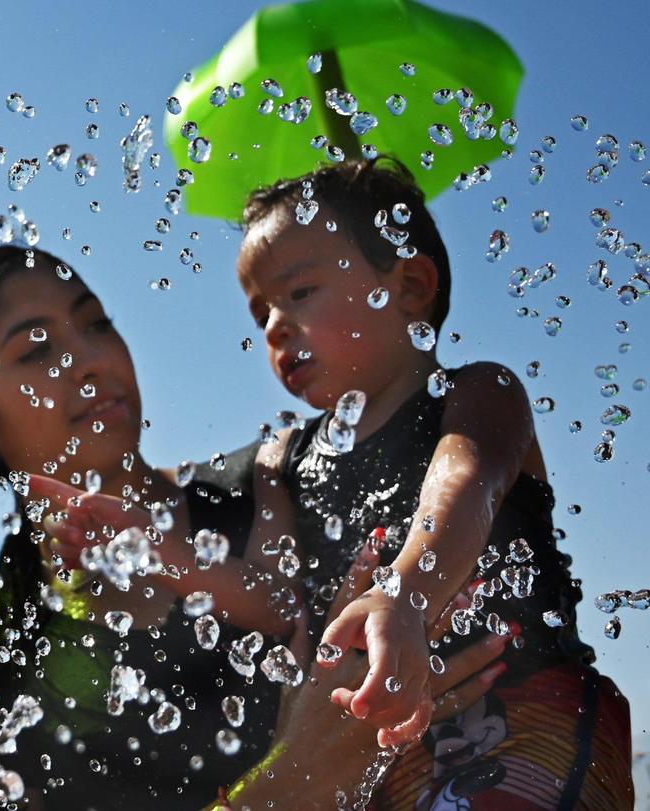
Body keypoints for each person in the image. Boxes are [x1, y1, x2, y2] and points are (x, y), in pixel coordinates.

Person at [0, 244, 507, 809]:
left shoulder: (282, 480)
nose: (91, 358)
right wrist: (288, 784)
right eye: (37, 349)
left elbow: (471, 450)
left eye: (96, 324)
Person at [235, 157, 633, 808]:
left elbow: (465, 479)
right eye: (261, 313)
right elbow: (270, 599)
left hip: (524, 712)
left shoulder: (476, 393)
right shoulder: (289, 462)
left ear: (411, 286)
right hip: (383, 744)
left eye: (299, 292)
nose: (275, 325)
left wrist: (406, 593)